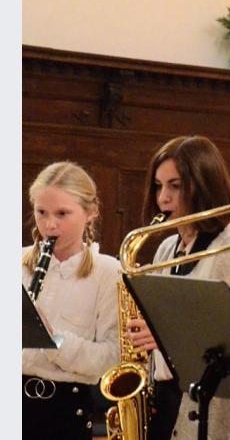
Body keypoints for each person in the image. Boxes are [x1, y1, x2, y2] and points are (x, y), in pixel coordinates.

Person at [127, 135, 230, 440]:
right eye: (158, 186)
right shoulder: (166, 249)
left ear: (204, 186)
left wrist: (170, 335)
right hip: (163, 401)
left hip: (211, 410)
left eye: (175, 186)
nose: (163, 198)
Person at [22, 161, 119, 440]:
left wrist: (53, 340)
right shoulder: (15, 262)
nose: (50, 225)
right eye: (41, 212)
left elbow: (110, 358)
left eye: (63, 213)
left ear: (91, 213)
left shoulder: (108, 272)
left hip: (65, 411)